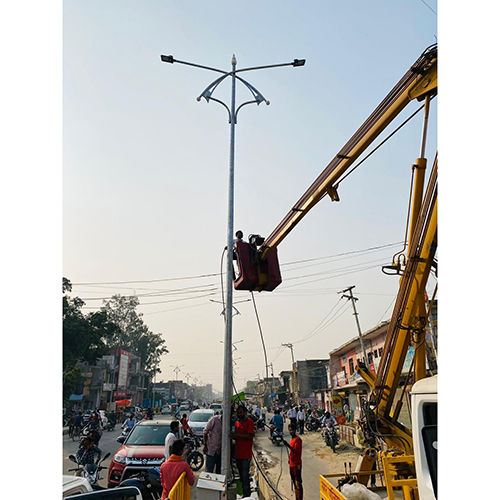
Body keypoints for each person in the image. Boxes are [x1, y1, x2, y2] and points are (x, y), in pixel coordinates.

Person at [231, 404, 255, 498]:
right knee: (241, 476)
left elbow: (250, 436)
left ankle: (247, 495)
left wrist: (237, 436)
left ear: (245, 412)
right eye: (238, 412)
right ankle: (245, 495)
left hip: (246, 454)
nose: (239, 414)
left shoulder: (249, 422)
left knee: (245, 476)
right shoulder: (237, 423)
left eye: (241, 412)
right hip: (238, 453)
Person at [283, 423, 303, 500]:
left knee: (298, 483)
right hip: (291, 464)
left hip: (296, 464)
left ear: (295, 430)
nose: (291, 431)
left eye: (292, 430)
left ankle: (300, 498)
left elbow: (296, 451)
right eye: (290, 430)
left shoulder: (298, 440)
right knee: (294, 483)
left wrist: (287, 445)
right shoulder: (292, 439)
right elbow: (292, 453)